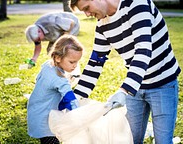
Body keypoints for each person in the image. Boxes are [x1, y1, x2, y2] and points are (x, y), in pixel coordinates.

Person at [69, 0, 181, 143]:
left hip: (163, 84)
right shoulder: (102, 25)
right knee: (129, 139)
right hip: (135, 87)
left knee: (163, 141)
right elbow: (95, 63)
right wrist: (75, 99)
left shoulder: (136, 4)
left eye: (87, 8)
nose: (87, 14)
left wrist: (124, 91)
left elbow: (143, 50)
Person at [27, 34, 84, 144]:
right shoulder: (59, 79)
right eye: (72, 62)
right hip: (46, 120)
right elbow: (70, 98)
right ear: (58, 57)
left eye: (77, 62)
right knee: (51, 141)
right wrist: (78, 115)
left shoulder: (48, 65)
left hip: (36, 111)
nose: (75, 66)